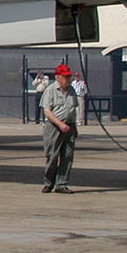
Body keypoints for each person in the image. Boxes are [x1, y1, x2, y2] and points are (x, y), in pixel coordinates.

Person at [40, 63, 80, 193]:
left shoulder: (72, 90)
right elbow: (47, 111)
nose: (68, 79)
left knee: (67, 156)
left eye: (69, 77)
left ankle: (61, 184)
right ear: (58, 77)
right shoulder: (51, 90)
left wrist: (74, 127)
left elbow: (73, 109)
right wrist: (60, 124)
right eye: (66, 77)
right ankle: (49, 183)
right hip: (54, 127)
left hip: (69, 126)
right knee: (52, 156)